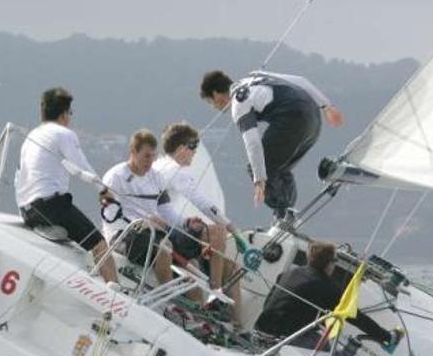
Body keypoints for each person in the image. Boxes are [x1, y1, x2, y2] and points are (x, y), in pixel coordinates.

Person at [101, 129, 242, 325]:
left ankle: (203, 316)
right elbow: (108, 217)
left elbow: (167, 212)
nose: (150, 161)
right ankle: (169, 306)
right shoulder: (114, 176)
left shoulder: (156, 178)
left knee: (194, 259)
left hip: (155, 232)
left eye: (153, 156)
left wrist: (185, 223)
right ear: (133, 152)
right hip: (124, 234)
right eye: (145, 156)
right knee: (164, 247)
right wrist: (142, 222)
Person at [199, 70, 345, 220]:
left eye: (211, 102)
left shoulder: (239, 103)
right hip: (314, 119)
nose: (214, 107)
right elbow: (301, 80)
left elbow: (253, 143)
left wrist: (259, 181)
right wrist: (327, 106)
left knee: (258, 169)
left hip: (292, 119)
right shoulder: (256, 75)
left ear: (216, 95)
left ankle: (282, 216)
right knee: (280, 169)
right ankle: (288, 214)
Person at [15, 87, 118, 283]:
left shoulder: (32, 136)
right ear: (64, 114)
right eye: (70, 113)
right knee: (99, 245)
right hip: (51, 207)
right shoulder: (63, 134)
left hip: (27, 210)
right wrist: (104, 191)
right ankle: (118, 299)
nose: (70, 118)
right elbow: (81, 167)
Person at [256, 241, 402, 350]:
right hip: (284, 340)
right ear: (329, 263)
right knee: (326, 346)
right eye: (335, 260)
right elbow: (357, 318)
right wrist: (386, 336)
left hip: (260, 331)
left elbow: (268, 303)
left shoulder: (287, 274)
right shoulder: (327, 288)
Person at [153, 123, 238, 297]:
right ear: (182, 148)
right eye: (193, 147)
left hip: (165, 227)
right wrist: (233, 229)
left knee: (227, 263)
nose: (195, 152)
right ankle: (215, 290)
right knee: (218, 232)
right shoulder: (174, 171)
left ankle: (214, 296)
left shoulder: (159, 165)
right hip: (163, 233)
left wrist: (187, 222)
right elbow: (203, 203)